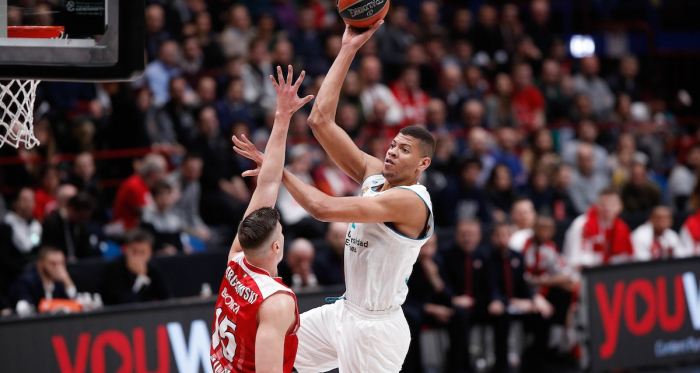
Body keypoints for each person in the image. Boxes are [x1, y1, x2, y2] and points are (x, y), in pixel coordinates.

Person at [234, 22, 436, 373]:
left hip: (376, 329)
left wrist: (278, 169)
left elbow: (322, 208)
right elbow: (320, 120)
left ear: (422, 164)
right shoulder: (375, 177)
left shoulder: (411, 202)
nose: (391, 152)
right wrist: (349, 48)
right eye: (392, 145)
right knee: (270, 348)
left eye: (404, 150)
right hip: (345, 311)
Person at [210, 65, 313, 373]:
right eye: (281, 232)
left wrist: (282, 115)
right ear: (276, 249)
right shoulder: (277, 301)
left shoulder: (237, 259)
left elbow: (268, 183)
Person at [442, 219, 497, 373]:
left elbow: (492, 284)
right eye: (464, 235)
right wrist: (453, 298)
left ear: (479, 236)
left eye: (472, 235)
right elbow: (443, 284)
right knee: (460, 316)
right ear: (456, 235)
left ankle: (501, 364)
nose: (468, 239)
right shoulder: (446, 254)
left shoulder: (484, 256)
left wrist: (496, 301)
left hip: (478, 304)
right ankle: (460, 366)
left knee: (502, 313)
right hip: (454, 306)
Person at [563, 188, 634, 271]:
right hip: (581, 274)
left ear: (620, 206)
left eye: (612, 204)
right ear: (596, 205)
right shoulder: (582, 224)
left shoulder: (623, 228)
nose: (607, 208)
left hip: (611, 275)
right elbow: (577, 262)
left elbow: (627, 259)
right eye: (603, 204)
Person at [99, 230, 171, 305]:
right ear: (126, 250)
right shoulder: (114, 269)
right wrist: (141, 277)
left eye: (143, 252)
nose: (138, 256)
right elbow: (124, 303)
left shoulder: (152, 269)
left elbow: (167, 298)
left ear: (150, 253)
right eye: (134, 251)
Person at [8, 246, 77, 315]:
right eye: (53, 264)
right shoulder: (26, 282)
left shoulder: (59, 283)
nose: (59, 269)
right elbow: (24, 308)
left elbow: (74, 302)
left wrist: (67, 281)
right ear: (40, 264)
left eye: (61, 264)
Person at [41, 192, 97, 261]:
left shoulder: (81, 225)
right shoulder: (52, 223)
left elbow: (85, 252)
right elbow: (48, 251)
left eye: (85, 218)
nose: (83, 220)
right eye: (80, 217)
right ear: (71, 209)